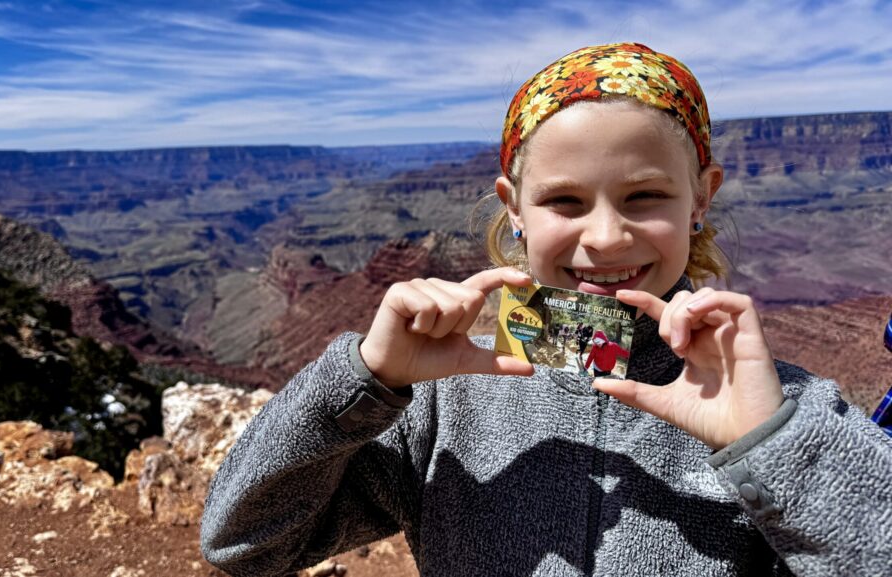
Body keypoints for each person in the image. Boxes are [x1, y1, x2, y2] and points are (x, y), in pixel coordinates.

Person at [202, 43, 892, 576]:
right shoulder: (447, 399)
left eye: (645, 196)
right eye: (565, 200)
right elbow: (244, 545)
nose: (605, 237)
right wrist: (364, 381)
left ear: (702, 196)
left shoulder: (776, 403)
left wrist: (775, 445)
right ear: (515, 207)